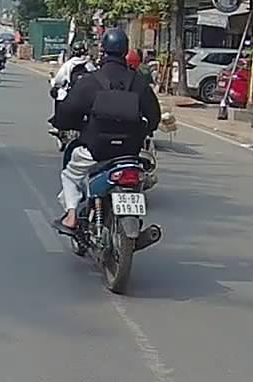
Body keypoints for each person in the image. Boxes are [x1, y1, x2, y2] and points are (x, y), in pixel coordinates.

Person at [50, 28, 160, 235]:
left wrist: (71, 124)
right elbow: (154, 117)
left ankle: (72, 215)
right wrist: (140, 131)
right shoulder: (139, 82)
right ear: (126, 51)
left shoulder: (90, 81)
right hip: (129, 153)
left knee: (71, 175)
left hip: (95, 151)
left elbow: (67, 114)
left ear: (103, 50)